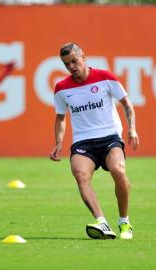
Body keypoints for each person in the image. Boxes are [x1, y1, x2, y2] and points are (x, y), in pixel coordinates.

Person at [49, 42, 139, 240]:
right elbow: (60, 118)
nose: (72, 66)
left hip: (109, 137)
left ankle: (124, 222)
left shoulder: (105, 78)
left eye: (74, 61)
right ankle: (102, 222)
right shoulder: (62, 88)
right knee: (80, 175)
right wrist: (58, 142)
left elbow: (126, 103)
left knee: (118, 170)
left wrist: (131, 128)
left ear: (83, 57)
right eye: (67, 64)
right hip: (83, 142)